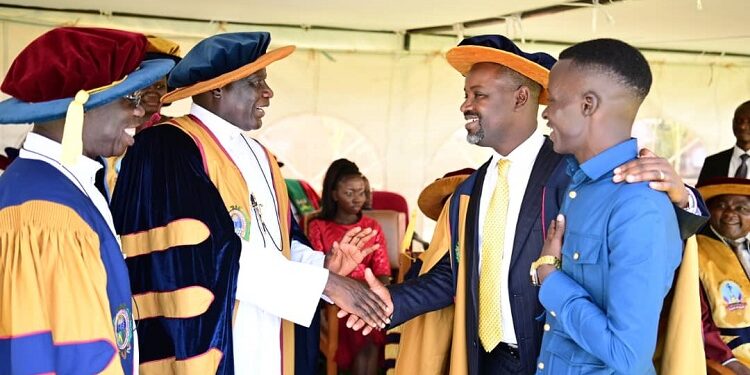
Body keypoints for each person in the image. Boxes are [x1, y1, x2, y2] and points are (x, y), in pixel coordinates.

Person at [342, 35, 707, 375]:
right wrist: (392, 301)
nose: (465, 105)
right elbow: (458, 272)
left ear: (519, 98)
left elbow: (652, 234)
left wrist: (682, 196)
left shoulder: (577, 172)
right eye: (467, 94)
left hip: (555, 359)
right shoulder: (469, 188)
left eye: (478, 94)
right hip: (485, 359)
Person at [110, 31, 390, 375]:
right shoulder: (168, 147)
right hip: (209, 337)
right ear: (217, 87)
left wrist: (322, 265)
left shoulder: (262, 156)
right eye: (256, 82)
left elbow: (283, 240)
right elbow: (205, 250)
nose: (268, 93)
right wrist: (327, 284)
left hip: (271, 325)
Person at [0, 27, 175, 374]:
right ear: (77, 108)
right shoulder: (47, 215)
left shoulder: (62, 184)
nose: (141, 114)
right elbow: (80, 356)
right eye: (131, 99)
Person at [533, 38, 684, 373]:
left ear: (588, 105)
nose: (545, 112)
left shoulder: (638, 205)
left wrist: (550, 280)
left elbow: (628, 354)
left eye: (554, 100)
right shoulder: (581, 184)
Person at [307, 159, 391, 375]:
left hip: (369, 297)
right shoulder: (317, 227)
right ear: (334, 194)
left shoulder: (371, 227)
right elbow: (319, 275)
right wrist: (348, 289)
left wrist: (359, 290)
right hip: (332, 304)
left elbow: (382, 277)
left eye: (361, 192)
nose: (358, 199)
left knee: (366, 323)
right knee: (361, 325)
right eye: (349, 193)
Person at [104, 35, 182, 195]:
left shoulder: (178, 129)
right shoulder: (112, 127)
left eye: (160, 85)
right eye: (146, 84)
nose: (153, 90)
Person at [696, 177, 750, 374]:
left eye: (742, 208)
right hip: (725, 358)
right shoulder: (696, 251)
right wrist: (729, 361)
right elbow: (696, 318)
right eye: (721, 205)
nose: (730, 214)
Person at [698, 100, 750, 185]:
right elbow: (701, 195)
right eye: (739, 121)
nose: (742, 126)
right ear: (733, 122)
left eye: (749, 121)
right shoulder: (712, 162)